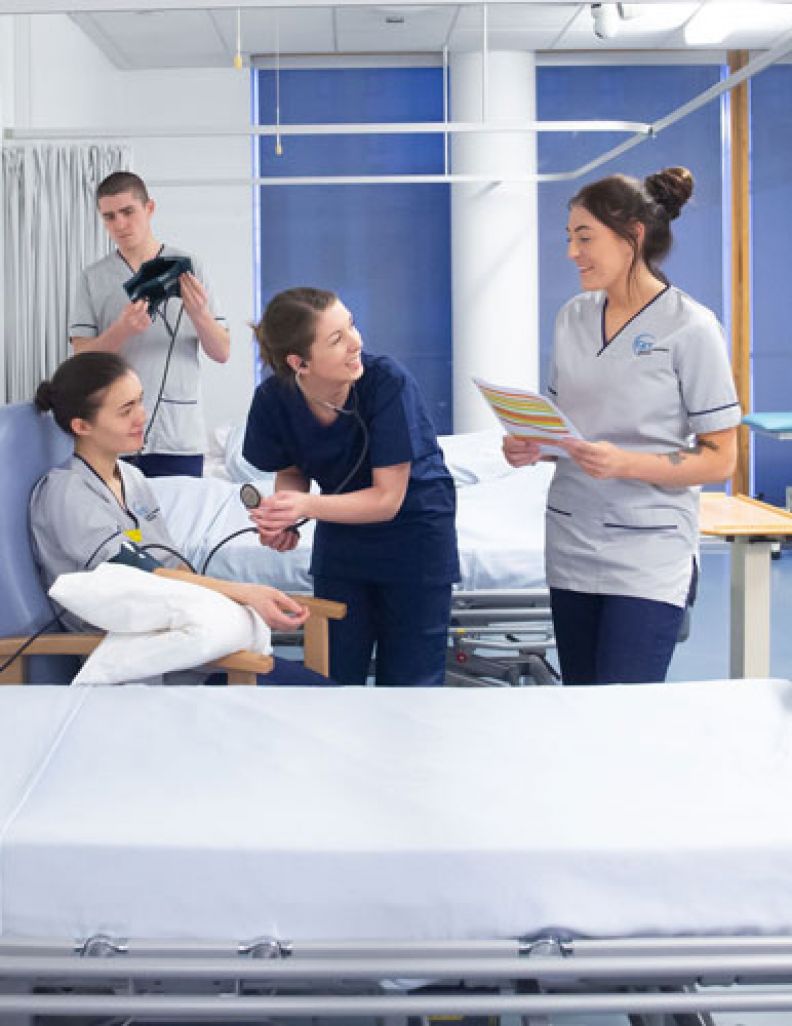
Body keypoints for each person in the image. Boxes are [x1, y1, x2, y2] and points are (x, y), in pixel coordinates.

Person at [504, 166, 740, 686]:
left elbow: (721, 457)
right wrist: (534, 446)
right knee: (582, 701)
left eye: (584, 238)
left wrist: (623, 463)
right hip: (571, 539)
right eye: (569, 238)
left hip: (649, 551)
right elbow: (566, 425)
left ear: (633, 235)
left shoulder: (691, 328)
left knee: (624, 713)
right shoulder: (572, 317)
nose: (572, 252)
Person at [30, 352, 328, 686]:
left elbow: (167, 559)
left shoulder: (131, 478)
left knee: (324, 695)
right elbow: (135, 568)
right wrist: (243, 593)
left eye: (140, 402)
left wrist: (230, 600)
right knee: (313, 699)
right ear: (81, 426)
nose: (141, 417)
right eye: (125, 411)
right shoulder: (67, 493)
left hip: (192, 645)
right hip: (147, 655)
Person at [242, 287, 460, 686]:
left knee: (411, 689)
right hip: (343, 538)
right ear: (299, 362)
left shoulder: (386, 382)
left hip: (415, 536)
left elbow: (387, 500)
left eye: (352, 326)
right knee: (334, 679)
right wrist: (284, 516)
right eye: (337, 339)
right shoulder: (274, 399)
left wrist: (304, 506)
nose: (356, 342)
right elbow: (293, 466)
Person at [70, 171, 230, 479]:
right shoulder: (93, 278)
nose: (119, 224)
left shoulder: (190, 267)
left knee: (176, 526)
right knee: (126, 527)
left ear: (150, 208)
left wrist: (199, 314)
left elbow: (222, 351)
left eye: (127, 212)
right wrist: (123, 330)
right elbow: (82, 358)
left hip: (178, 436)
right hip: (114, 439)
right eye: (109, 217)